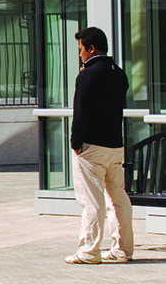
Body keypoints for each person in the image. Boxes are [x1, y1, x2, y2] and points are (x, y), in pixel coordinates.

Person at [65, 27, 133, 265]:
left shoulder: (87, 76)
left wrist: (76, 143)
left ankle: (89, 252)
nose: (80, 55)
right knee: (118, 198)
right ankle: (122, 249)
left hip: (92, 147)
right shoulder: (119, 73)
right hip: (115, 145)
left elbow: (80, 113)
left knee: (91, 200)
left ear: (91, 48)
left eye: (81, 50)